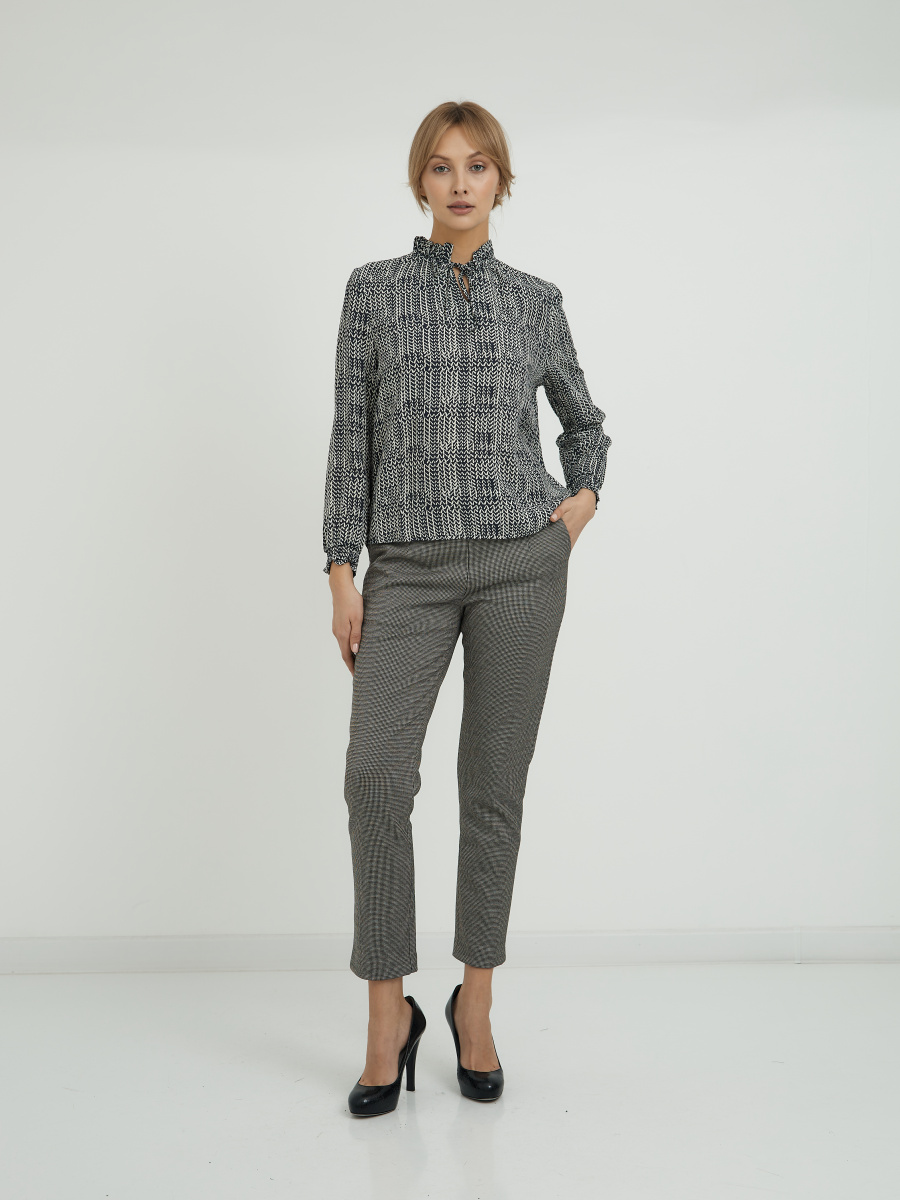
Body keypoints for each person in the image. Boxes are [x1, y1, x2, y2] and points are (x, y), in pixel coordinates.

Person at [322, 100, 611, 1116]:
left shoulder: (535, 301)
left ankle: (474, 1005)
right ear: (421, 182)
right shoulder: (372, 292)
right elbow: (351, 433)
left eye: (477, 166)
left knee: (493, 790)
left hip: (521, 568)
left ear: (501, 182)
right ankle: (386, 1015)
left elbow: (583, 422)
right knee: (375, 778)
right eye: (442, 167)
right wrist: (341, 567)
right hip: (406, 569)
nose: (459, 183)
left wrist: (576, 509)